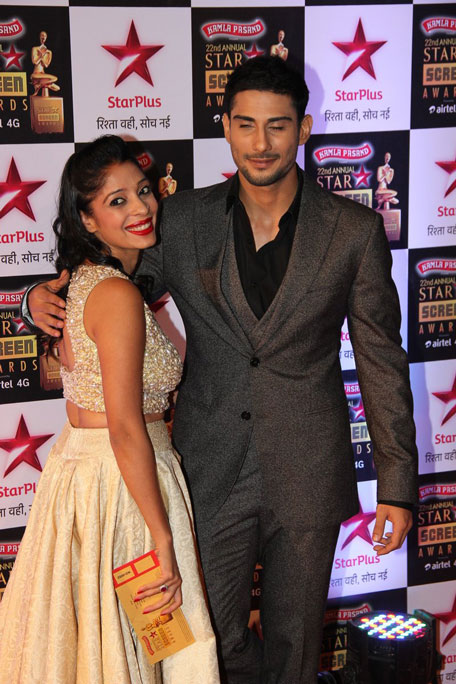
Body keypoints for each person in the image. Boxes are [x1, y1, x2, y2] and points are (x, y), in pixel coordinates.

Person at [24, 57, 418, 684]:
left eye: (278, 126)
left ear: (303, 129)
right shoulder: (180, 219)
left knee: (295, 646)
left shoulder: (353, 230)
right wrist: (38, 298)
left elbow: (382, 362)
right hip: (206, 465)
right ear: (226, 127)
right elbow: (108, 282)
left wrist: (396, 485)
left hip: (308, 467)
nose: (261, 143)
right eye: (246, 124)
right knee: (208, 636)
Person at [1, 136, 219, 684]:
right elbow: (124, 426)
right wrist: (162, 538)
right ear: (87, 219)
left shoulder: (81, 281)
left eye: (143, 191)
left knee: (103, 646)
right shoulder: (116, 295)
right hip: (124, 485)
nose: (141, 207)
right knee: (141, 641)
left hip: (87, 477)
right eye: (117, 201)